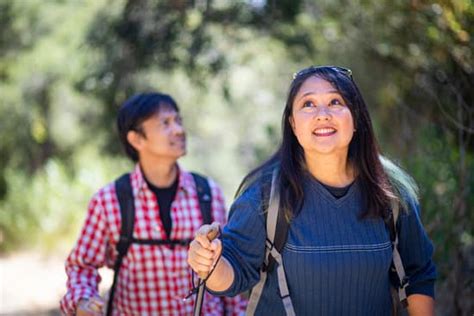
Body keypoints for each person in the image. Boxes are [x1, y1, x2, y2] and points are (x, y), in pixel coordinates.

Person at [188, 66, 437, 315]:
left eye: (335, 101)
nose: (323, 114)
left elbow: (418, 274)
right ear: (293, 124)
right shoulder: (264, 194)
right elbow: (233, 275)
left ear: (356, 117)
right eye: (308, 104)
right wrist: (210, 263)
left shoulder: (391, 191)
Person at [60, 92, 246, 315]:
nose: (178, 129)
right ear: (136, 139)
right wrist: (83, 301)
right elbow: (82, 266)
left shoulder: (207, 193)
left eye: (178, 120)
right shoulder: (110, 201)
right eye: (165, 123)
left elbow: (229, 269)